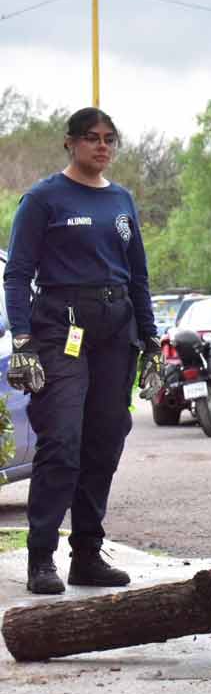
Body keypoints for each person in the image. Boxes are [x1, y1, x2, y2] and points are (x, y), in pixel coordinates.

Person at [4, 107, 161, 595]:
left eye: (109, 139)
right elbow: (17, 273)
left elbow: (137, 273)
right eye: (91, 138)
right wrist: (23, 341)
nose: (102, 146)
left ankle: (87, 555)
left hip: (116, 331)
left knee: (106, 438)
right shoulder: (44, 198)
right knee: (62, 442)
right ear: (70, 143)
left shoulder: (121, 200)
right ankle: (41, 558)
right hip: (59, 332)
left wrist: (151, 337)